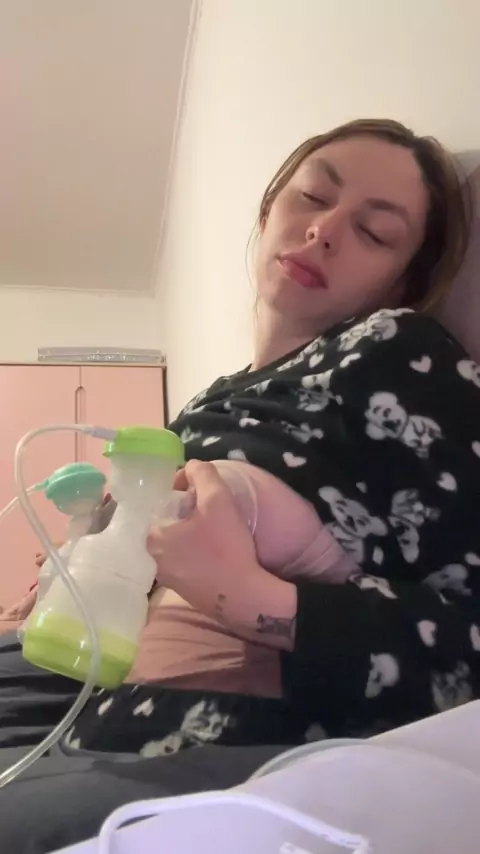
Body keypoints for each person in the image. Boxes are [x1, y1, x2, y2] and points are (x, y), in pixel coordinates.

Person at [1, 118, 479, 852]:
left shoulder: (398, 354)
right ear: (269, 209)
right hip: (87, 698)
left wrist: (250, 598)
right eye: (312, 196)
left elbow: (467, 637)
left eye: (375, 233)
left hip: (209, 737)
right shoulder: (209, 402)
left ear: (403, 283)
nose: (323, 231)